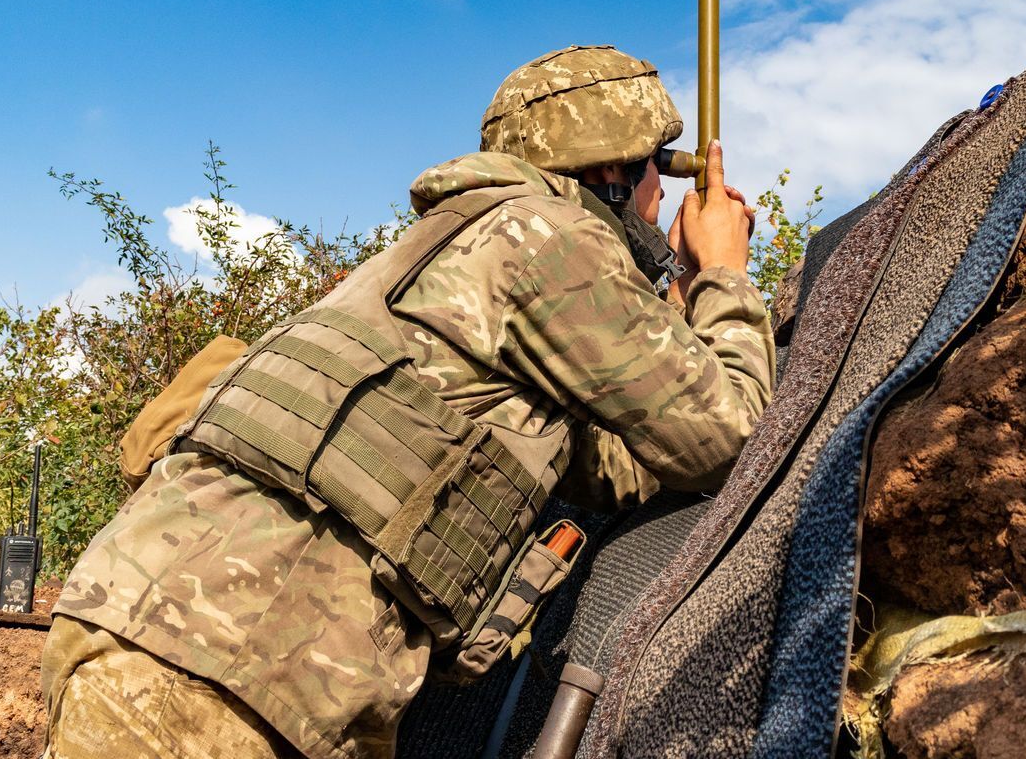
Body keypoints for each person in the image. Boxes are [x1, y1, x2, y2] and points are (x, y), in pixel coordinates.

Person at [41, 45, 775, 759]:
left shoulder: (450, 246)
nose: (662, 197)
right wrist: (725, 275)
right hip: (231, 667)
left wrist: (678, 304)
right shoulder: (548, 236)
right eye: (657, 170)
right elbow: (733, 436)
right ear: (615, 171)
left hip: (164, 631)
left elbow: (614, 468)